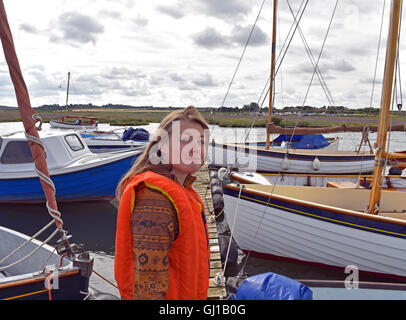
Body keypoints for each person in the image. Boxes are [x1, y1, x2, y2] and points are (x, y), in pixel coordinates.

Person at [114, 106, 210, 300]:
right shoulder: (155, 198)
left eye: (201, 142)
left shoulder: (181, 190)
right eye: (185, 140)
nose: (195, 148)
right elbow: (148, 288)